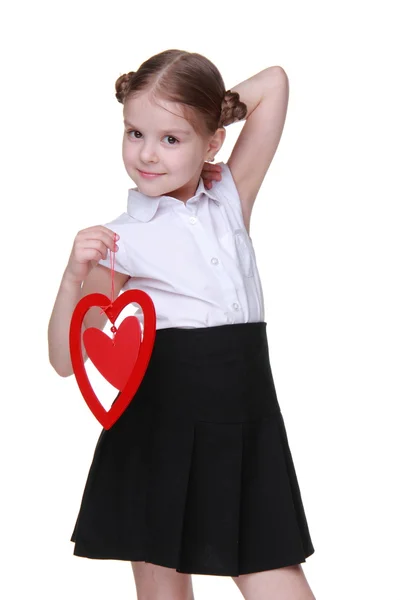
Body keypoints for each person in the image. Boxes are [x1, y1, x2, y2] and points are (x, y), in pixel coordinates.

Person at [48, 49, 316, 600]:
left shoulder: (228, 196)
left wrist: (208, 114)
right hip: (158, 431)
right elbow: (65, 362)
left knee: (280, 583)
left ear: (212, 141)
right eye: (134, 133)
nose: (147, 155)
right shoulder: (118, 240)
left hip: (247, 423)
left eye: (172, 138)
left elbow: (274, 83)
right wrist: (73, 277)